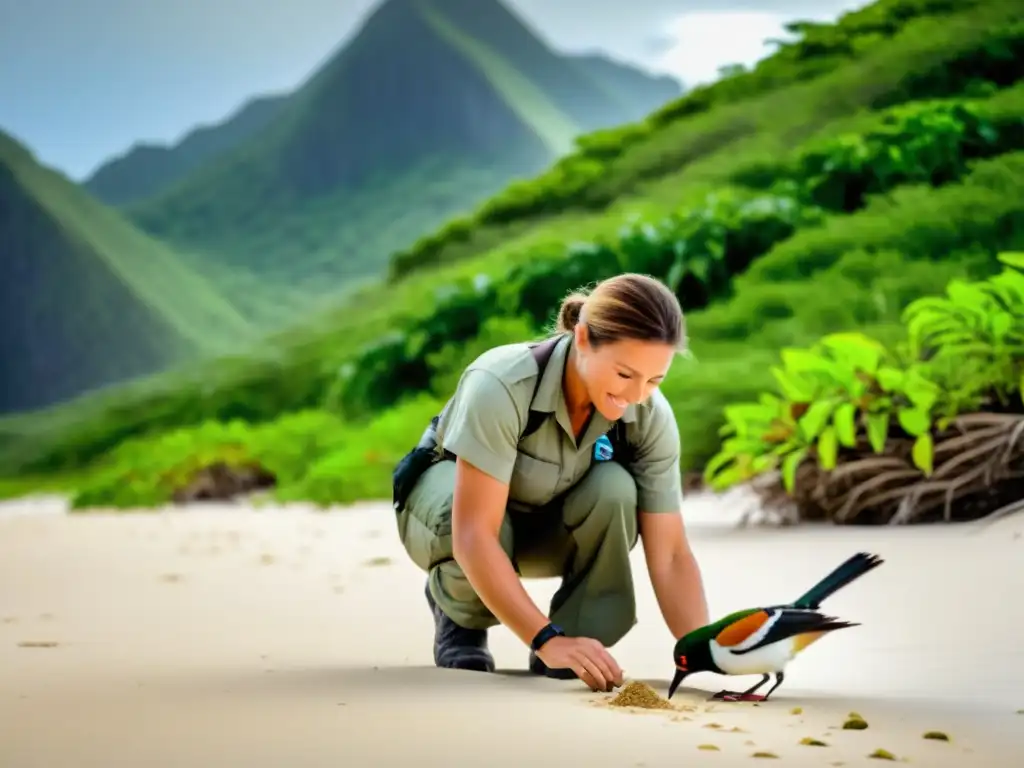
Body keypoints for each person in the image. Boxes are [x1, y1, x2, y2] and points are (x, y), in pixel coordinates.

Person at [393, 273, 710, 692]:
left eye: (654, 380)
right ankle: (460, 615)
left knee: (615, 488)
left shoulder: (648, 414)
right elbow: (473, 534)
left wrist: (709, 655)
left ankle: (576, 636)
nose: (637, 395)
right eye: (624, 374)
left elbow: (669, 554)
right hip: (451, 523)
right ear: (582, 338)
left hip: (543, 526)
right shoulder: (501, 383)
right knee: (463, 512)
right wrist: (544, 640)